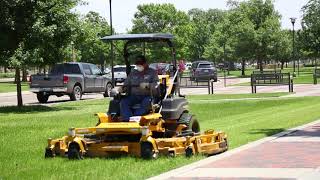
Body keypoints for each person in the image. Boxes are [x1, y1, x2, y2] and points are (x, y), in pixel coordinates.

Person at [120, 55, 159, 122]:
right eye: (137, 64)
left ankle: (136, 118)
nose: (139, 65)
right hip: (134, 96)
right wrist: (121, 89)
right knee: (124, 102)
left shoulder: (152, 73)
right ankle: (127, 119)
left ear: (145, 64)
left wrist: (147, 85)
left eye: (141, 64)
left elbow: (156, 85)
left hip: (148, 95)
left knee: (146, 102)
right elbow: (126, 84)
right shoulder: (133, 73)